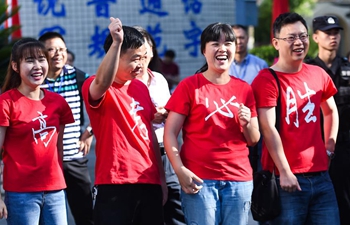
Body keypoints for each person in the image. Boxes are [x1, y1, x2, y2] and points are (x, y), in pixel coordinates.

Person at [164, 22, 260, 225]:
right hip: (199, 181)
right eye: (215, 43)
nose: (223, 49)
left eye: (228, 43)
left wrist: (246, 123)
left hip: (239, 180)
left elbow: (253, 139)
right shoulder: (190, 86)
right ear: (204, 51)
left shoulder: (244, 89)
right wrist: (179, 170)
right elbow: (170, 131)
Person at [251, 12, 340, 224]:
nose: (299, 42)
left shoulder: (318, 74)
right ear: (275, 42)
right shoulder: (266, 79)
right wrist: (284, 171)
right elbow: (267, 128)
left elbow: (330, 111)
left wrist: (329, 148)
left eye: (303, 36)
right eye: (291, 38)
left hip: (321, 177)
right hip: (286, 180)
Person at [81, 17, 167, 225]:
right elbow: (102, 82)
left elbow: (149, 134)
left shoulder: (140, 88)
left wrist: (162, 179)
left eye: (144, 58)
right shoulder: (95, 84)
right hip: (115, 180)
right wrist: (117, 42)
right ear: (116, 55)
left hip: (149, 180)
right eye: (135, 58)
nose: (141, 65)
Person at [0, 38, 74, 224]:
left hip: (55, 190)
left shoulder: (58, 102)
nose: (38, 66)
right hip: (20, 193)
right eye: (30, 60)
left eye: (42, 59)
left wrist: (60, 182)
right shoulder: (6, 102)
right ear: (16, 66)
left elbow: (58, 148)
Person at [38, 32, 94, 225]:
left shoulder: (77, 76)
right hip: (43, 161)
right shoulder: (35, 79)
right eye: (51, 49)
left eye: (61, 49)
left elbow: (103, 99)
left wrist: (89, 132)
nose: (58, 54)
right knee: (46, 216)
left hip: (73, 157)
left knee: (85, 214)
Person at [134, 26, 186, 225]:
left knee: (174, 205)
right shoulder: (122, 83)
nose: (143, 57)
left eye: (147, 51)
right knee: (146, 209)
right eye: (138, 53)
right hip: (140, 153)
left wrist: (166, 113)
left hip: (165, 151)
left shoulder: (160, 79)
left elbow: (172, 110)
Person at [306, 15, 350, 225]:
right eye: (327, 33)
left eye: (336, 33)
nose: (333, 37)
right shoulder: (307, 69)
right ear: (315, 37)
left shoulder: (347, 67)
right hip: (315, 147)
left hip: (345, 146)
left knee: (346, 199)